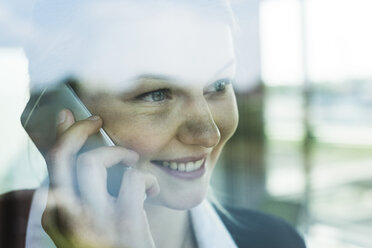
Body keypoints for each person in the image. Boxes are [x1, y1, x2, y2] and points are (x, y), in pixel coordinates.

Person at [0, 0, 306, 247]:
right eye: (156, 94)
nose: (208, 134)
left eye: (219, 85)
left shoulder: (279, 240)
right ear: (61, 107)